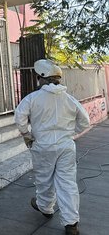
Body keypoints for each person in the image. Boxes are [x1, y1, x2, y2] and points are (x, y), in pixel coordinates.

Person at [14, 59, 90, 235]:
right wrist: (71, 133)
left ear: (41, 77)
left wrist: (27, 135)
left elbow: (20, 118)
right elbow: (85, 121)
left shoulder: (32, 98)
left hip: (42, 146)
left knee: (44, 179)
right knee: (67, 183)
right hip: (66, 146)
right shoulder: (70, 99)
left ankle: (46, 208)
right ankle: (71, 223)